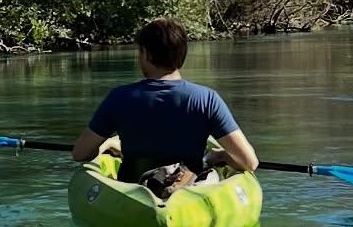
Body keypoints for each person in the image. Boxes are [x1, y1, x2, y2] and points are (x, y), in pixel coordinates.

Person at [70, 17, 258, 186]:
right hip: (187, 191)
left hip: (134, 190)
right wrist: (222, 156)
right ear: (182, 55)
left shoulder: (118, 97)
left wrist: (107, 145)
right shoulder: (207, 99)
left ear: (146, 54)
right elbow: (249, 162)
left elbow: (80, 154)